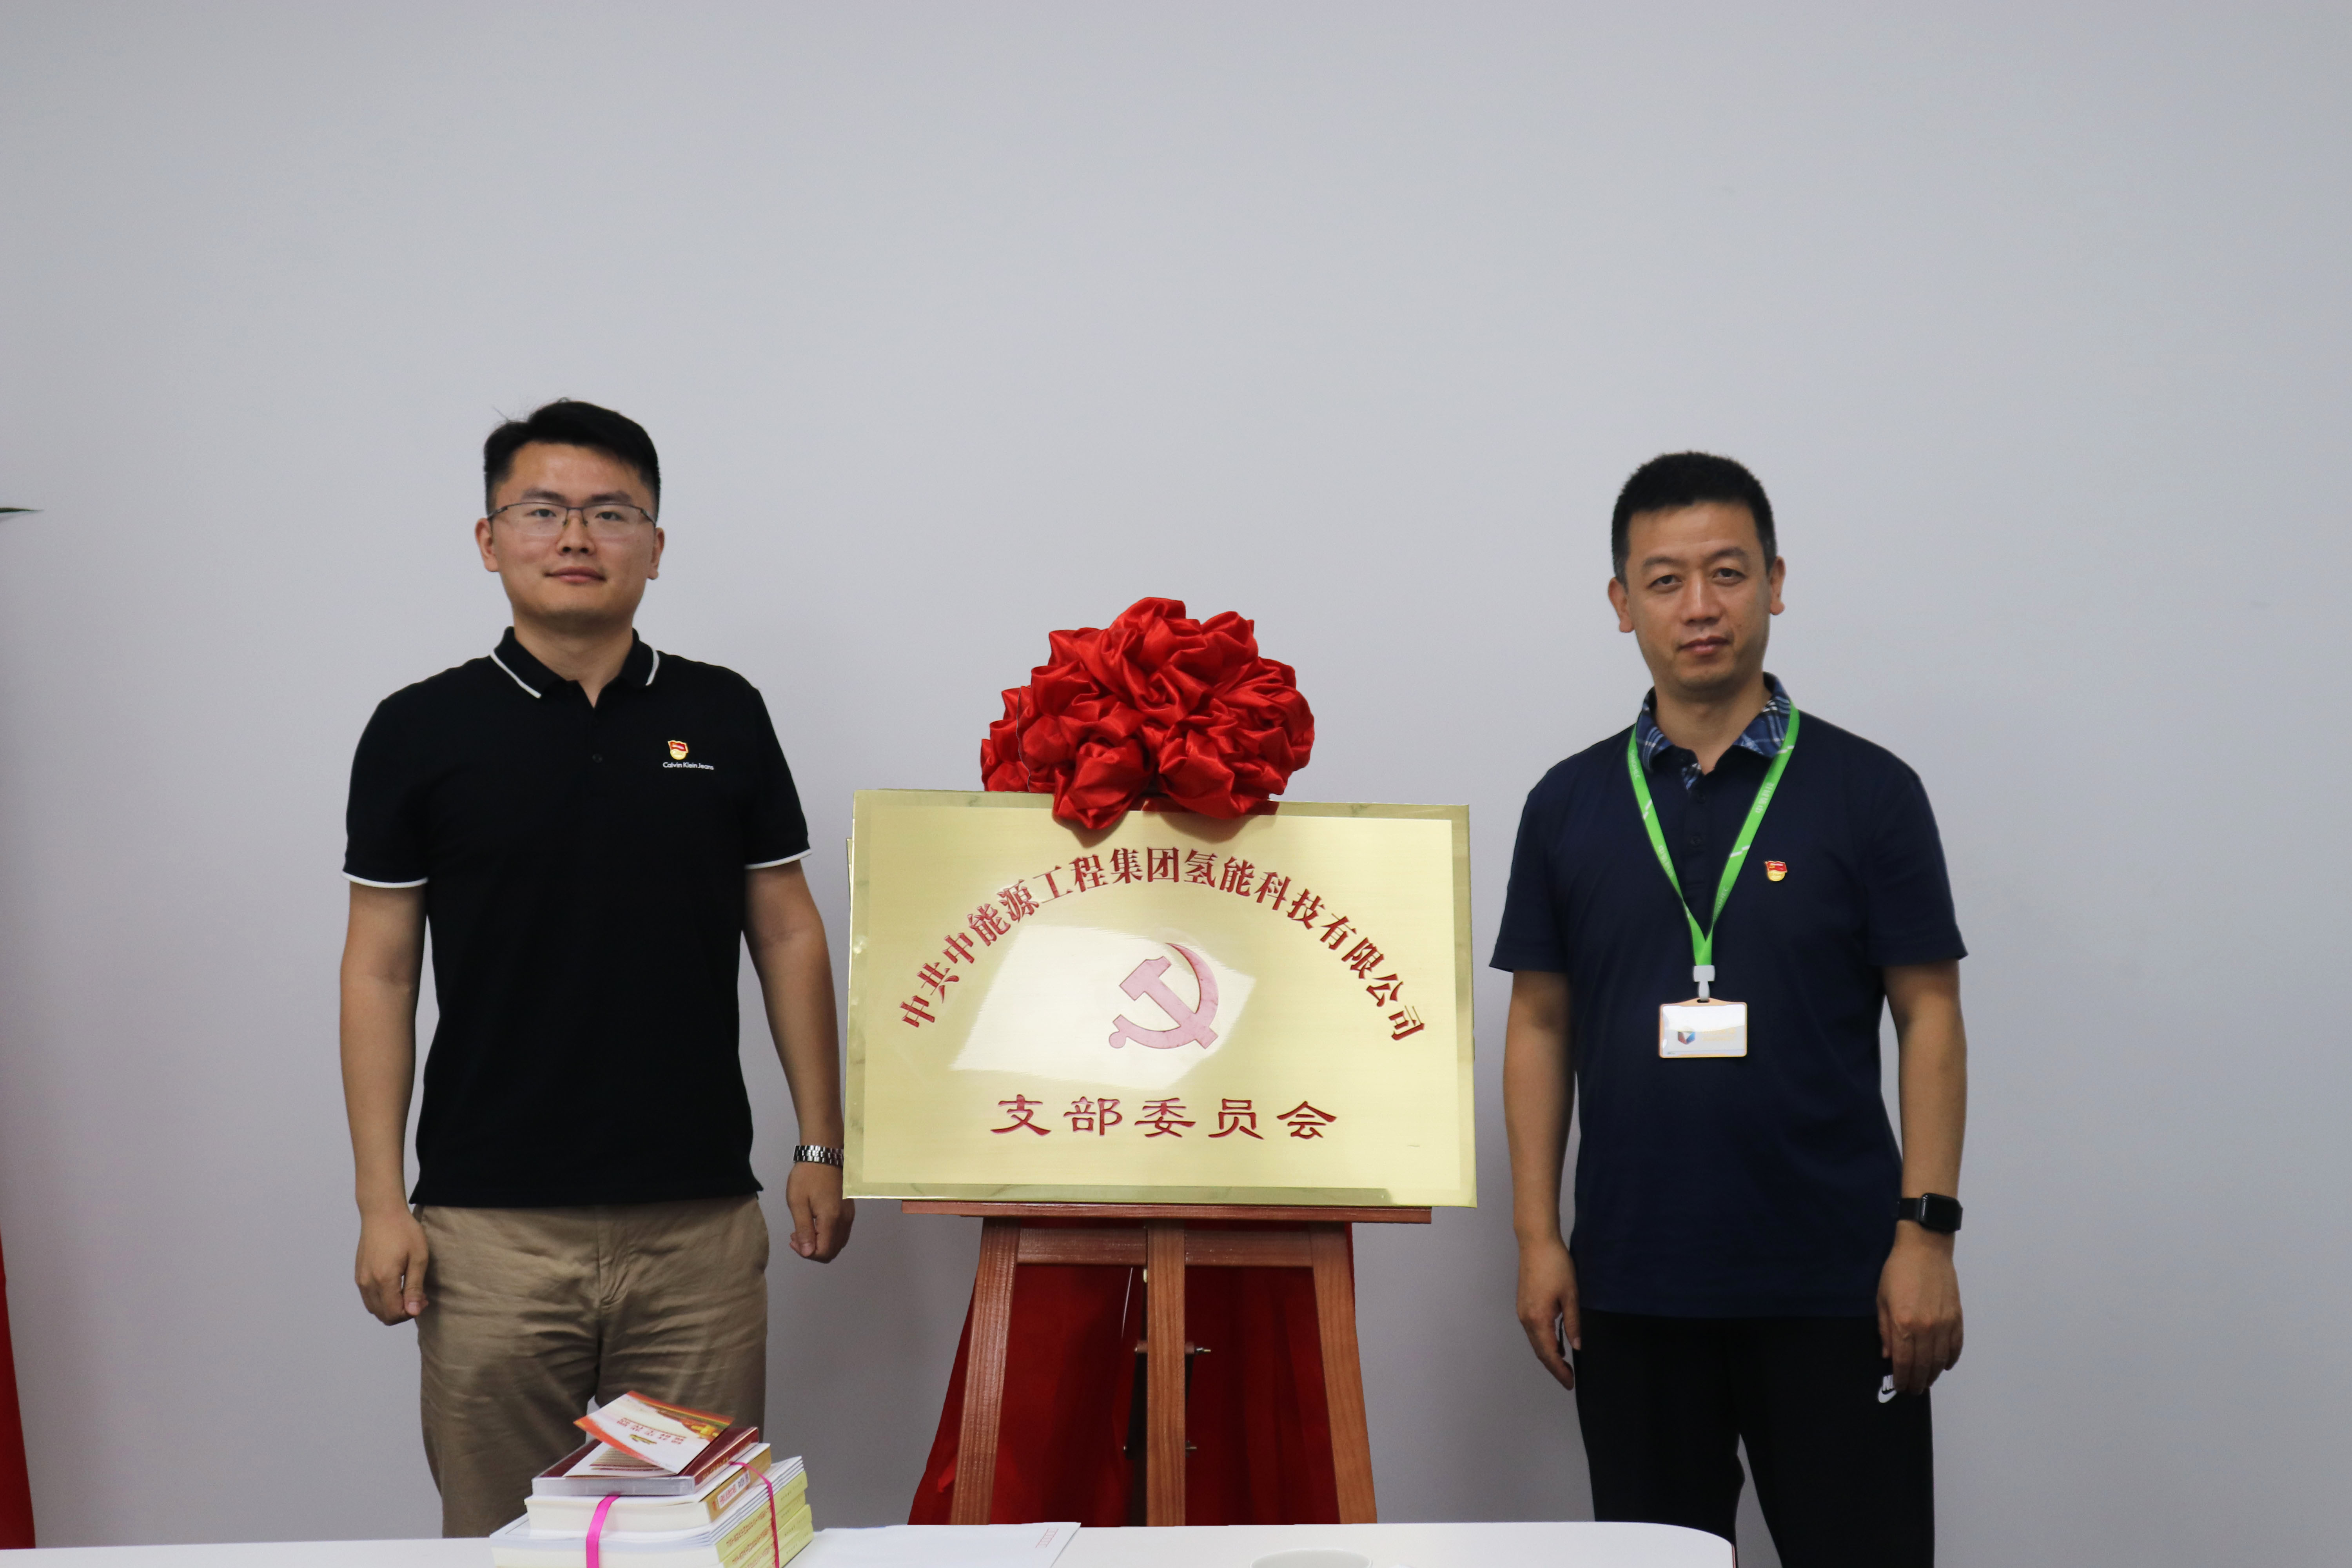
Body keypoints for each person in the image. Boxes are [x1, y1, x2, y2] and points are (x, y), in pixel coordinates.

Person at [338, 399, 853, 1536]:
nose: (576, 536)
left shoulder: (723, 712)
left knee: (702, 1540)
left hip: (697, 1230)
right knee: (504, 1540)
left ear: (655, 547)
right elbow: (379, 971)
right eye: (543, 511)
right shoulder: (419, 730)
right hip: (489, 1232)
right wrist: (381, 1202)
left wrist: (821, 1143)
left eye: (611, 513)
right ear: (490, 540)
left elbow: (787, 931)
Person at [1496, 452, 1966, 1565]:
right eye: (1665, 580)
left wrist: (1926, 1235)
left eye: (1728, 572)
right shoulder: (1567, 804)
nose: (1699, 606)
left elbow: (1930, 1016)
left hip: (1837, 1281)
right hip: (1634, 1284)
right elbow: (1541, 1025)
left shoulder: (1871, 792)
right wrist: (1538, 1238)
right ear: (1623, 603)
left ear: (1775, 583)